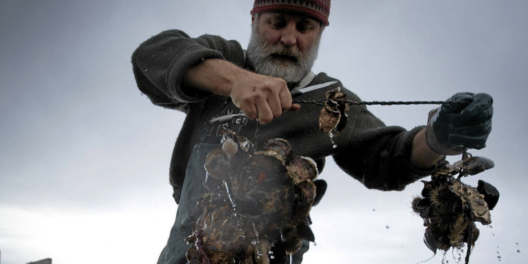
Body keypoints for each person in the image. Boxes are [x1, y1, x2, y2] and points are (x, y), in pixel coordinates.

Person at [131, 1, 493, 263]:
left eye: (305, 28)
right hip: (189, 246)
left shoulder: (332, 99)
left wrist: (436, 139)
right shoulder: (222, 58)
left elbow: (388, 158)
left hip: (273, 253)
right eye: (278, 22)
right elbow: (152, 57)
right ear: (256, 20)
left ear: (319, 33)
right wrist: (236, 80)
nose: (289, 38)